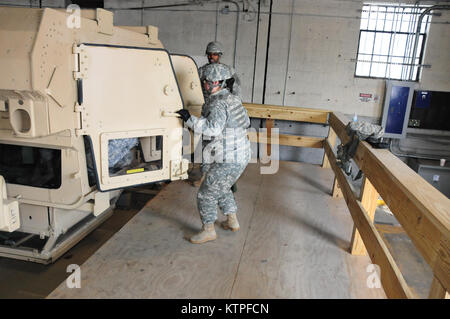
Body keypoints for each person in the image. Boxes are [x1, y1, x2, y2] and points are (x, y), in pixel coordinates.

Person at [176, 63, 250, 244]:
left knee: (206, 193)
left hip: (229, 158)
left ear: (215, 83)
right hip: (238, 154)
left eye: (207, 82)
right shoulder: (232, 98)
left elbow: (212, 129)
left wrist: (189, 119)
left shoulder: (218, 103)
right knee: (222, 186)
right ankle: (232, 221)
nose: (205, 85)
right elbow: (245, 121)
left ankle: (208, 230)